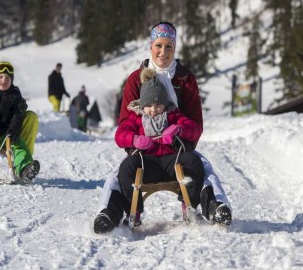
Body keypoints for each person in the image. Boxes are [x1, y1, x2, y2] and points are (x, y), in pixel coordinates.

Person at [94, 21, 232, 232]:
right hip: (144, 153)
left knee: (202, 167)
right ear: (151, 46)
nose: (163, 51)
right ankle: (109, 214)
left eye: (169, 46)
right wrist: (134, 142)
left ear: (175, 48)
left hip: (176, 151)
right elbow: (125, 126)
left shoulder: (185, 79)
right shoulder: (135, 80)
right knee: (120, 173)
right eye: (158, 45)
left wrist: (179, 133)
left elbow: (195, 124)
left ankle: (214, 206)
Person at [94, 68, 205, 233]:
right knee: (127, 167)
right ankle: (134, 210)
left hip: (171, 161)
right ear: (142, 105)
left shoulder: (173, 115)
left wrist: (178, 130)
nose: (153, 110)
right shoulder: (136, 117)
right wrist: (134, 140)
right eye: (149, 106)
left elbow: (194, 128)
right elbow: (120, 135)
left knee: (193, 161)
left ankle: (189, 206)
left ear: (165, 104)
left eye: (159, 105)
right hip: (146, 164)